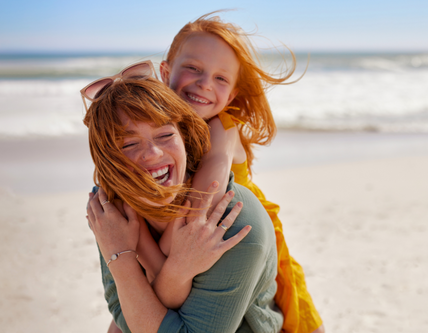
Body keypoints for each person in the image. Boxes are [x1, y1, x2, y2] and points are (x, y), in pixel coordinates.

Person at [159, 12, 324, 333]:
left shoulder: (223, 127)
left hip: (245, 232)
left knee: (296, 309)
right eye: (193, 68)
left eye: (221, 78)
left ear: (232, 95)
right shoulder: (162, 126)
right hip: (198, 235)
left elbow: (208, 193)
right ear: (166, 72)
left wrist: (166, 249)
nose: (205, 83)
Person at [83, 70, 283, 332]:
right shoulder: (111, 215)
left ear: (184, 139)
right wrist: (175, 270)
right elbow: (122, 315)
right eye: (129, 144)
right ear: (109, 162)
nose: (153, 153)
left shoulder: (234, 222)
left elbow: (132, 324)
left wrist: (123, 263)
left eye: (165, 135)